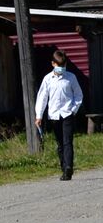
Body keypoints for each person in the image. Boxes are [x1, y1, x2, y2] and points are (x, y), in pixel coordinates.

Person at [35, 49, 84, 181]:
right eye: (59, 65)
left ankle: (69, 167)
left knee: (68, 142)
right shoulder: (47, 79)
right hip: (54, 116)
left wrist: (74, 110)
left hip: (67, 114)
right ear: (53, 64)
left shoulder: (71, 78)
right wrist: (39, 115)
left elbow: (78, 95)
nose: (61, 68)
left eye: (63, 66)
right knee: (60, 143)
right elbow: (42, 98)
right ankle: (63, 167)